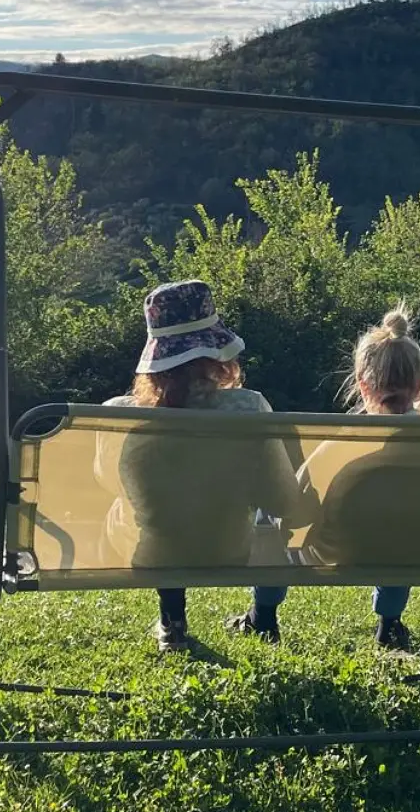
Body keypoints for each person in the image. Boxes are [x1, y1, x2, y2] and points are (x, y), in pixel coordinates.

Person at [226, 303, 420, 650]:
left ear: (361, 384)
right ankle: (389, 625)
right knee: (406, 522)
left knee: (270, 514)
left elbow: (294, 508)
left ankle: (262, 616)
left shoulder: (344, 443)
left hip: (337, 551)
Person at [100, 279, 316, 654]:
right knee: (247, 516)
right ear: (217, 354)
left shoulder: (118, 416)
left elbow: (107, 483)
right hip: (227, 549)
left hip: (146, 552)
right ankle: (260, 613)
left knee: (154, 512)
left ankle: (172, 620)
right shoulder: (248, 409)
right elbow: (283, 503)